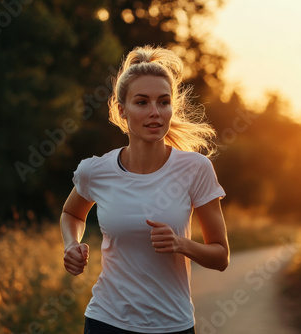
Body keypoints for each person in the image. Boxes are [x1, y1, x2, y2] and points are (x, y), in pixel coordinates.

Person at [60, 45, 229, 334]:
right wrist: (71, 245)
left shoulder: (195, 169)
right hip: (106, 321)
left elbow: (221, 257)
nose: (155, 112)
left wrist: (181, 244)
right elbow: (72, 214)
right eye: (142, 102)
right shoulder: (95, 171)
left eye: (163, 102)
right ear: (121, 110)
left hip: (172, 325)